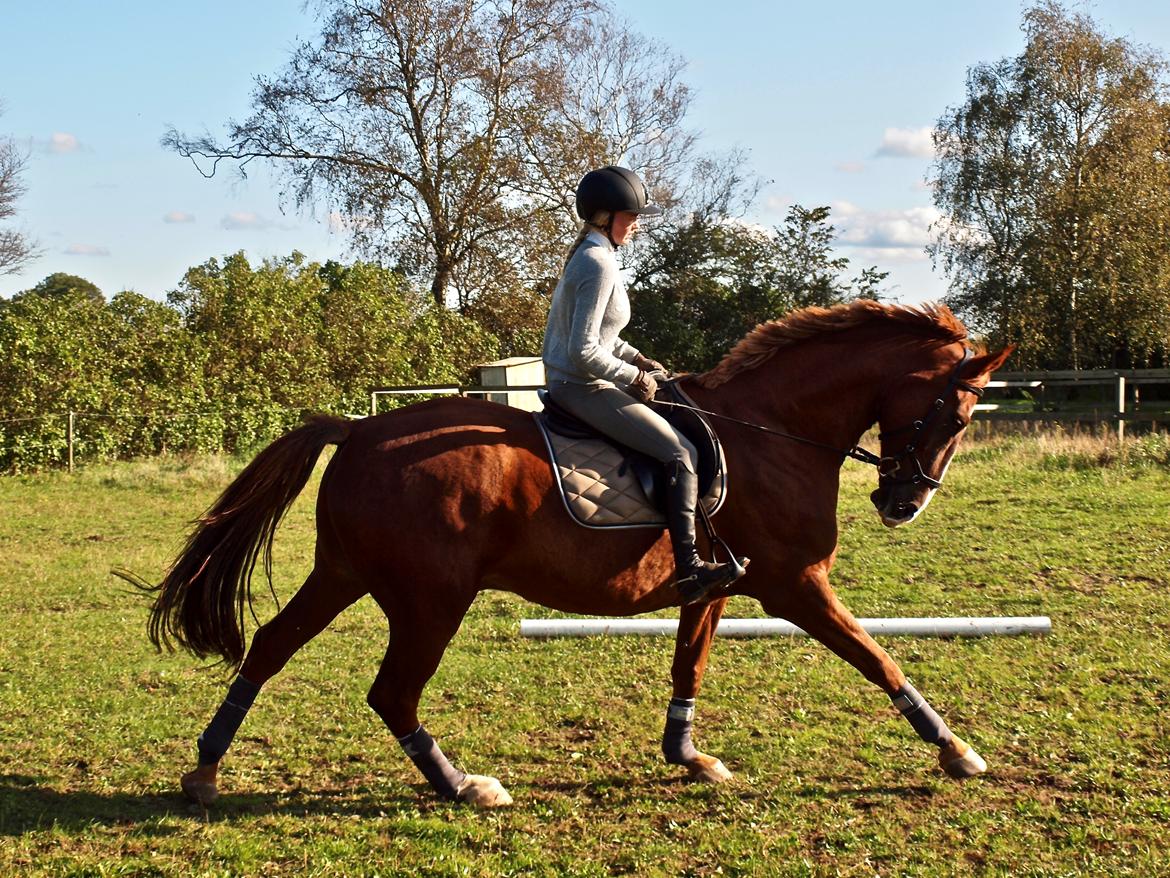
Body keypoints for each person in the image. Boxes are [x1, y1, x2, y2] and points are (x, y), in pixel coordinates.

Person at [542, 165, 748, 604]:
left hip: (586, 379)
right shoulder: (597, 262)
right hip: (581, 387)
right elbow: (582, 352)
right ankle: (690, 569)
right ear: (605, 217)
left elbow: (604, 338)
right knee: (680, 452)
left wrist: (637, 358)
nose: (636, 223)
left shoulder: (597, 255)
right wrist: (632, 377)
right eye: (631, 215)